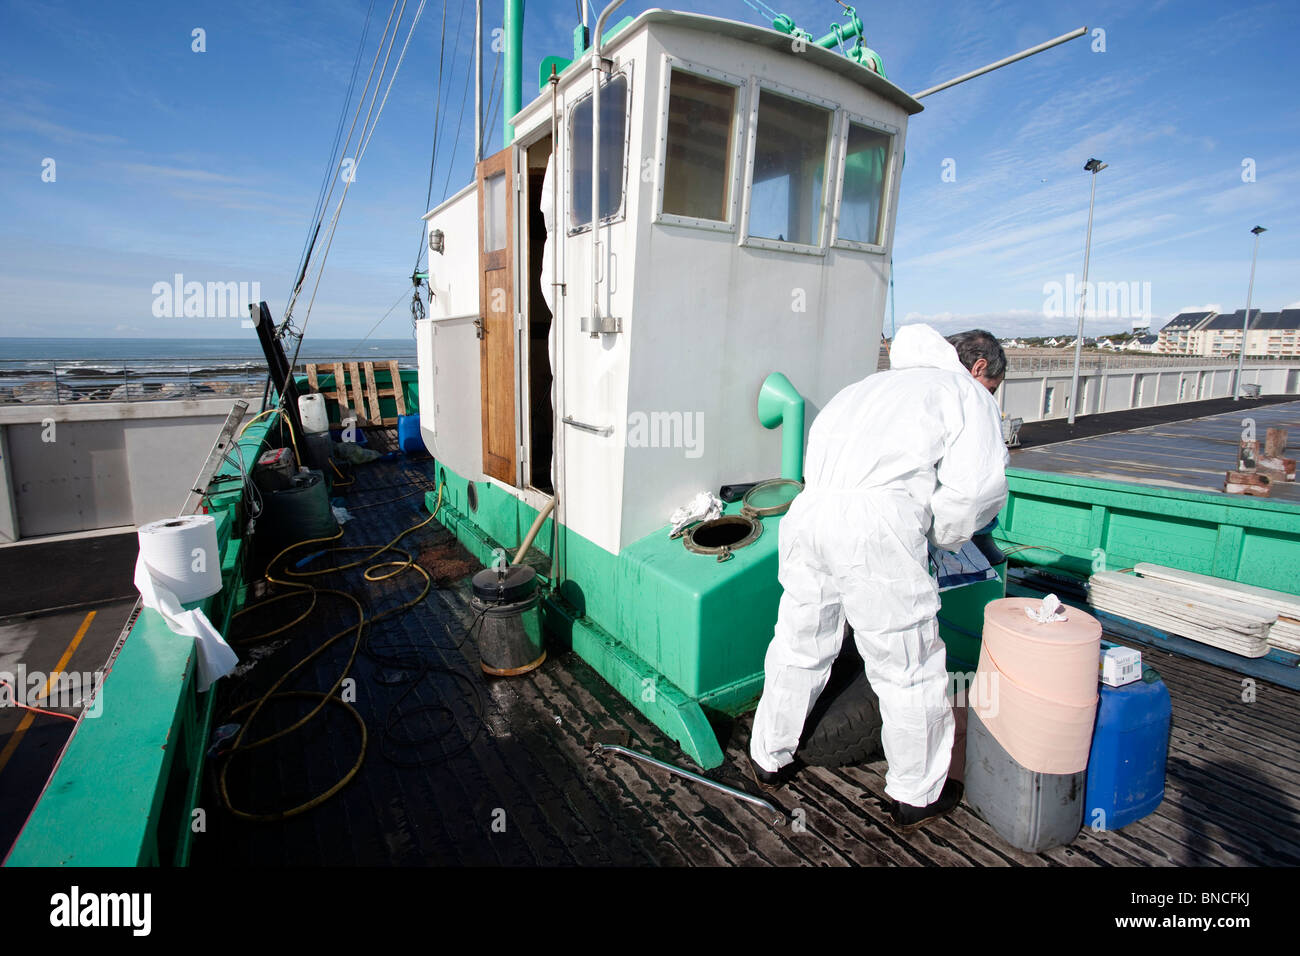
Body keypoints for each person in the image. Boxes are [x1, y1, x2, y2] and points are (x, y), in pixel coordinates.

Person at [748, 324, 1009, 832]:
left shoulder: (859, 389)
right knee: (906, 664)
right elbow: (975, 492)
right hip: (877, 528)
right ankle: (914, 794)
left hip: (811, 514)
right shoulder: (962, 392)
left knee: (799, 643)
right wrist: (941, 536)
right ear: (978, 369)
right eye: (991, 387)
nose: (989, 395)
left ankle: (767, 757)